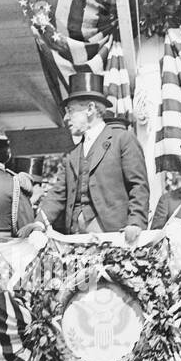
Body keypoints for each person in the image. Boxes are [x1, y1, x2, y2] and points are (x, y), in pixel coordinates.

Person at [33, 72, 149, 242]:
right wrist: (39, 224)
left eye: (70, 111)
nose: (66, 118)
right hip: (75, 239)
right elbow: (57, 194)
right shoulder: (72, 155)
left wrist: (136, 222)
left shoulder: (122, 139)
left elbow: (138, 185)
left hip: (114, 236)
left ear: (90, 109)